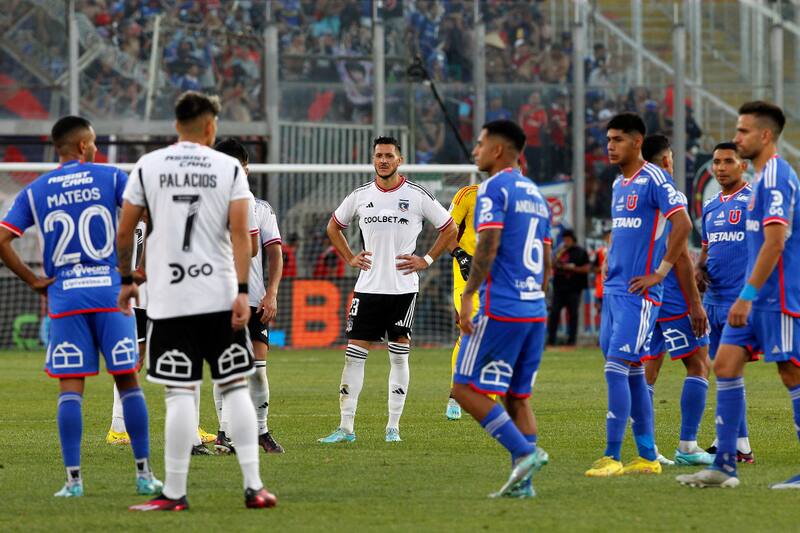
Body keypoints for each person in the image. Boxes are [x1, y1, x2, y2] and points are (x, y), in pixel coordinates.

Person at [120, 91, 276, 511]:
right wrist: (244, 291)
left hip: (171, 300)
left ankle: (174, 492)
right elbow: (243, 235)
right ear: (211, 127)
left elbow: (126, 231)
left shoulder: (148, 167)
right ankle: (254, 486)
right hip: (221, 296)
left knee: (179, 394)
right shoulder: (228, 169)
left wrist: (127, 279)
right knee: (234, 387)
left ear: (176, 125)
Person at [0, 115, 162, 498]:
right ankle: (143, 475)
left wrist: (34, 279)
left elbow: (3, 239)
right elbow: (141, 218)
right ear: (85, 145)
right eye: (92, 143)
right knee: (127, 381)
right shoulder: (110, 177)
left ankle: (73, 481)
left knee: (70, 389)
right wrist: (134, 272)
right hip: (109, 294)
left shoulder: (37, 190)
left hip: (65, 296)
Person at [678, 101, 800, 489]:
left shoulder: (778, 176)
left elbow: (776, 240)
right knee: (726, 365)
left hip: (774, 296)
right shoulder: (759, 183)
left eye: (743, 131)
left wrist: (746, 294)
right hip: (747, 298)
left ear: (765, 136)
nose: (737, 137)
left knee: (791, 371)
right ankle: (725, 465)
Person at [318, 136, 457, 443]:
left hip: (403, 289)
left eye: (389, 156)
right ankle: (345, 429)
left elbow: (450, 227)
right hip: (367, 287)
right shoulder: (360, 195)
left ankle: (393, 427)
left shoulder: (417, 195)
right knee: (353, 357)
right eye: (378, 156)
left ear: (400, 160)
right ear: (373, 160)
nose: (383, 160)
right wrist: (349, 257)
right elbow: (333, 227)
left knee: (398, 357)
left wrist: (427, 259)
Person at [585, 113, 691, 477]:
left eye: (618, 139)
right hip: (614, 290)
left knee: (616, 367)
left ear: (637, 142)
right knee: (630, 371)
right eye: (608, 139)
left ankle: (611, 457)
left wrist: (660, 271)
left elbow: (683, 224)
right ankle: (647, 456)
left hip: (639, 294)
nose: (610, 145)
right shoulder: (619, 184)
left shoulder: (655, 179)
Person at [452, 119, 552, 498]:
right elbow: (546, 256)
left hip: (503, 307)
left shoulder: (492, 188)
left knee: (463, 388)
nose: (475, 151)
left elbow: (488, 244)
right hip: (534, 308)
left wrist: (468, 295)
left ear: (497, 150)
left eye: (479, 145)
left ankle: (524, 452)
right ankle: (522, 485)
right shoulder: (535, 193)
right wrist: (537, 295)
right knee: (516, 395)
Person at [106, 217, 218, 455]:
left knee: (144, 360)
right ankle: (120, 426)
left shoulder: (131, 221)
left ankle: (121, 427)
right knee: (181, 359)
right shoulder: (160, 218)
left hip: (141, 299)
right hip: (154, 299)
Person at [639, 134, 713, 467]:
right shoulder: (669, 193)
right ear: (666, 160)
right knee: (699, 363)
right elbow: (681, 254)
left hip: (645, 293)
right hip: (672, 294)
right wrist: (695, 304)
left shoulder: (631, 189)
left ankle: (647, 448)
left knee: (648, 370)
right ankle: (687, 445)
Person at [213, 137, 285, 455]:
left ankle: (260, 431)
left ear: (246, 168)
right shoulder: (207, 204)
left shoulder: (260, 208)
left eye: (237, 168)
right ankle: (224, 433)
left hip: (254, 297)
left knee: (257, 368)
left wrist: (272, 293)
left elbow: (274, 253)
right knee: (226, 366)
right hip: (217, 297)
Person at [695, 142, 754, 462]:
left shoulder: (752, 201)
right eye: (716, 162)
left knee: (728, 369)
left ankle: (731, 442)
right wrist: (699, 269)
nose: (720, 168)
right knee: (723, 370)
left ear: (742, 166)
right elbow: (707, 248)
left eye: (728, 162)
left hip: (738, 300)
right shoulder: (712, 205)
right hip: (713, 299)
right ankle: (740, 444)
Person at [444, 183, 479, 421]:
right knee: (470, 330)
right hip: (468, 273)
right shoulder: (468, 194)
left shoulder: (519, 199)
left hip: (502, 274)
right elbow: (445, 230)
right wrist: (459, 254)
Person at [547, 229, 590, 346]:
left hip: (574, 288)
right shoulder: (560, 251)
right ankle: (551, 340)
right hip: (559, 288)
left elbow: (587, 268)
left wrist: (572, 268)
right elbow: (551, 263)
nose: (566, 242)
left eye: (568, 240)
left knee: (573, 315)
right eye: (564, 239)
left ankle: (571, 341)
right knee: (554, 313)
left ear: (573, 239)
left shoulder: (580, 251)